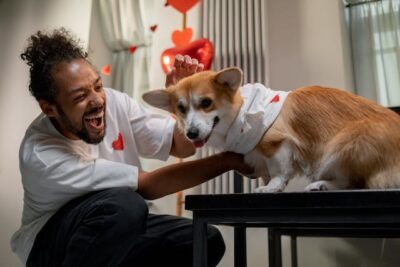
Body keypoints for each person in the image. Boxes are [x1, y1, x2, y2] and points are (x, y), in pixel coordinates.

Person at [10, 28, 252, 267]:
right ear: (49, 108)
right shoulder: (41, 154)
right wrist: (228, 160)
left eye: (97, 86)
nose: (97, 101)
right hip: (50, 245)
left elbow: (182, 147)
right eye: (79, 96)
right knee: (125, 205)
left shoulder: (113, 102)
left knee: (204, 240)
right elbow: (146, 186)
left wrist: (181, 105)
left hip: (113, 226)